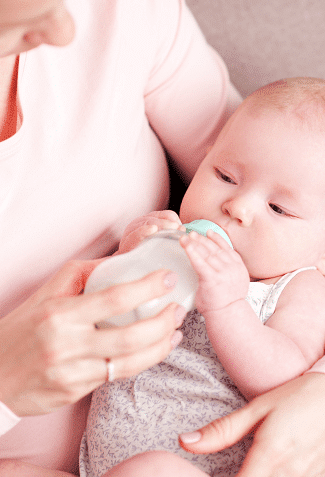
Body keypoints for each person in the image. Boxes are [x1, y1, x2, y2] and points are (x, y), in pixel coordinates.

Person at [0, 0, 243, 476]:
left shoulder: (120, 2)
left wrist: (315, 390)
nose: (66, 33)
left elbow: (299, 190)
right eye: (16, 21)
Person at [80, 77, 325, 477]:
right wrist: (130, 257)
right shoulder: (171, 245)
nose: (237, 206)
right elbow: (101, 321)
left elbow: (281, 382)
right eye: (226, 176)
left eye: (279, 208)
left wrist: (228, 307)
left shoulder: (300, 286)